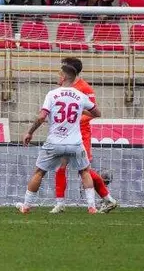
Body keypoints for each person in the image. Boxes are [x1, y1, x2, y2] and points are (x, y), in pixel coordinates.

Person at [16, 63, 103, 214]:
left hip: (54, 142)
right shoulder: (80, 96)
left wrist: (29, 132)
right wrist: (79, 111)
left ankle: (26, 206)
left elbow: (42, 116)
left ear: (63, 77)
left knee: (39, 172)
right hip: (75, 143)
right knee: (84, 171)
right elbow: (97, 113)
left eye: (59, 75)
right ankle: (92, 207)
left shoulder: (52, 94)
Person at [50, 58, 118, 214]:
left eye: (63, 69)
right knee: (60, 167)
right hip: (64, 135)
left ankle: (108, 199)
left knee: (84, 170)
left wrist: (72, 121)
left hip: (81, 134)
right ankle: (60, 203)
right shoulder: (63, 86)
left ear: (70, 71)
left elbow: (93, 114)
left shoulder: (85, 88)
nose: (60, 72)